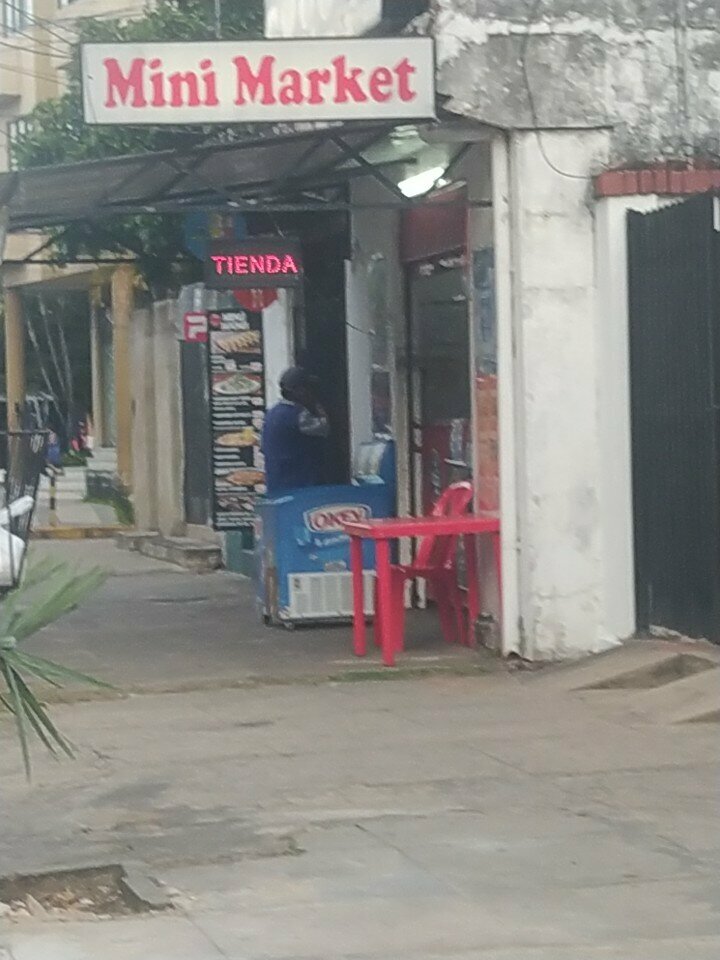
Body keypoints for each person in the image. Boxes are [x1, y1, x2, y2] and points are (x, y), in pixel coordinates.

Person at [261, 367, 330, 496]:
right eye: (309, 388)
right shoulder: (297, 415)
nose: (312, 392)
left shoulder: (273, 413)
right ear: (299, 391)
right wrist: (316, 405)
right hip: (300, 487)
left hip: (278, 486)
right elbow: (324, 428)